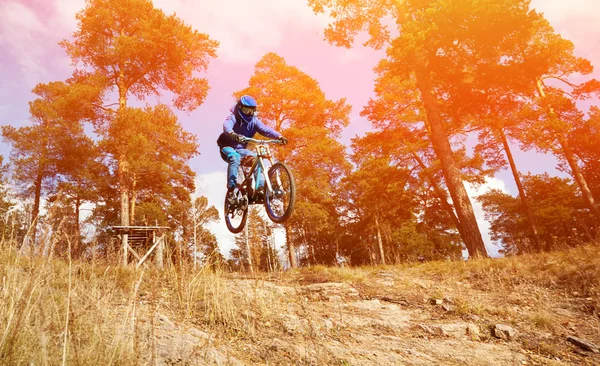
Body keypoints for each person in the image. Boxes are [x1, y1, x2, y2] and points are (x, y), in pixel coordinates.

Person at [217, 95, 287, 203]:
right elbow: (227, 125)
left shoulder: (254, 121)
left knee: (257, 159)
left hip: (241, 149)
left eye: (251, 111)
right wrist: (231, 133)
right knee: (235, 158)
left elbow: (265, 130)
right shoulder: (233, 117)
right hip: (227, 147)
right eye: (246, 110)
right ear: (240, 108)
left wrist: (279, 136)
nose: (249, 113)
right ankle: (232, 190)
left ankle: (260, 189)